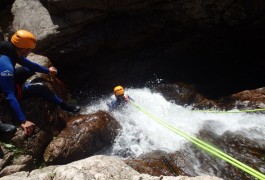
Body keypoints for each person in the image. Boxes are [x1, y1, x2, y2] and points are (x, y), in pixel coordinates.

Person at [0, 29, 80, 136]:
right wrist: (23, 121)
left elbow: (30, 65)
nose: (30, 52)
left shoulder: (10, 51)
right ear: (23, 49)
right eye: (30, 49)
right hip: (3, 89)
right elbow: (9, 95)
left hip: (4, 79)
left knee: (31, 73)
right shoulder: (6, 67)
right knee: (37, 88)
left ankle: (64, 105)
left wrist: (47, 70)